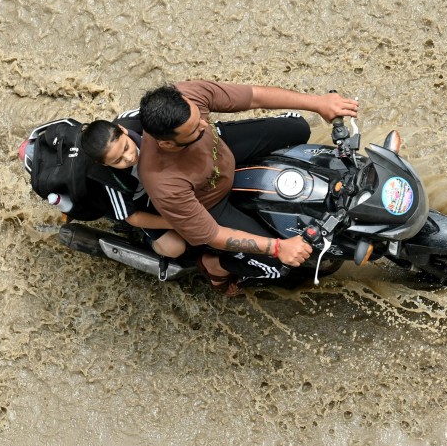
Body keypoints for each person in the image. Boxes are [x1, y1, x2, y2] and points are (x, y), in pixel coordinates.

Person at [137, 81, 358, 294]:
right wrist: (278, 248)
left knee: (298, 127)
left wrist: (318, 103)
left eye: (200, 117)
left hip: (225, 152)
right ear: (167, 144)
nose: (204, 124)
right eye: (195, 130)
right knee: (291, 269)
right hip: (213, 203)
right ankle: (216, 266)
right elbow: (213, 234)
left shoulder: (188, 94)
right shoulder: (164, 183)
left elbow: (254, 96)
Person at [79, 119, 187, 259]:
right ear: (104, 164)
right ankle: (147, 240)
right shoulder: (111, 180)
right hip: (141, 202)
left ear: (123, 130)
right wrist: (172, 223)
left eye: (126, 147)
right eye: (118, 161)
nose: (129, 158)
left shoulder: (142, 124)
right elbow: (132, 217)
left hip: (160, 181)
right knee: (175, 248)